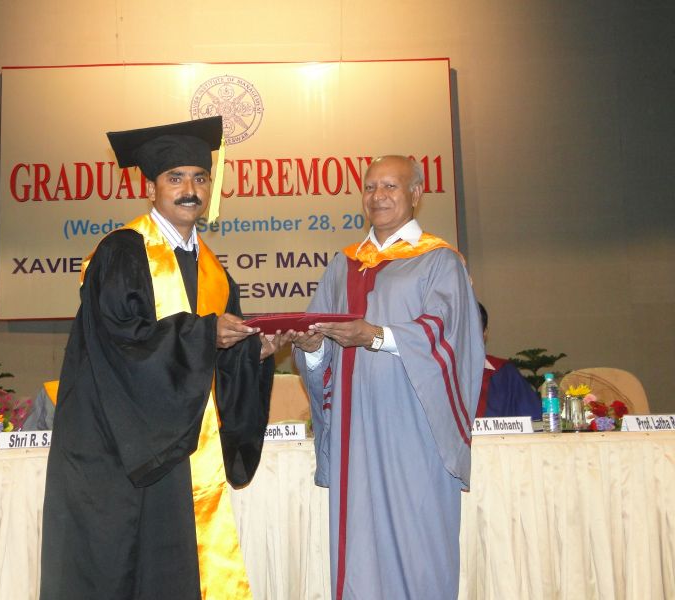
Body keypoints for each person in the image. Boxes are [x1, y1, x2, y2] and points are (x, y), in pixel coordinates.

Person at [40, 116, 290, 600]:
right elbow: (122, 341)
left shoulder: (214, 270)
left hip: (180, 451)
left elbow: (214, 362)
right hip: (116, 451)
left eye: (200, 178)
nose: (190, 190)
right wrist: (205, 334)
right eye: (175, 178)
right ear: (150, 187)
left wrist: (254, 352)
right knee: (118, 572)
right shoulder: (122, 252)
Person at [292, 155, 484, 600]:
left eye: (390, 186)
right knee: (359, 544)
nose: (378, 196)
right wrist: (311, 345)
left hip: (414, 426)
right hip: (355, 430)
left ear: (415, 194)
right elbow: (320, 351)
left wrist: (376, 336)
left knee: (419, 541)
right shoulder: (343, 265)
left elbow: (449, 333)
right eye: (370, 187)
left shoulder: (439, 260)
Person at [477, 302, 541, 420]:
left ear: (484, 333)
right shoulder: (441, 376)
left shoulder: (504, 373)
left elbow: (535, 420)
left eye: (473, 329)